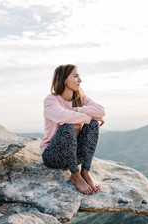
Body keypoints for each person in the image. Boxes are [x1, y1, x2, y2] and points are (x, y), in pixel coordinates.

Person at [40, 64, 105, 195]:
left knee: (93, 125)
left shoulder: (80, 98)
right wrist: (90, 117)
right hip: (53, 156)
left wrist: (77, 109)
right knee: (67, 126)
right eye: (75, 76)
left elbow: (101, 111)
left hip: (75, 156)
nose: (80, 80)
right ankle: (75, 176)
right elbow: (63, 116)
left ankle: (85, 172)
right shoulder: (51, 100)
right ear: (64, 79)